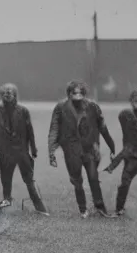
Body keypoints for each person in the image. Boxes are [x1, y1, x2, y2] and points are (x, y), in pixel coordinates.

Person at [48, 80, 115, 218]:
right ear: (69, 94)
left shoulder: (92, 106)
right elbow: (54, 128)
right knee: (77, 180)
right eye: (74, 92)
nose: (77, 95)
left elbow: (102, 126)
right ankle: (83, 209)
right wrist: (51, 151)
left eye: (80, 92)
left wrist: (111, 146)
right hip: (71, 149)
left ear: (84, 94)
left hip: (89, 148)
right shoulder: (61, 107)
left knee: (93, 177)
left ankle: (100, 207)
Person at [0, 83, 49, 215]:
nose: (7, 94)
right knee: (6, 178)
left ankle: (39, 206)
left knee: (29, 178)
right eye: (5, 92)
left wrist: (33, 149)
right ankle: (7, 200)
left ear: (15, 95)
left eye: (10, 92)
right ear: (1, 95)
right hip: (5, 151)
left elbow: (30, 131)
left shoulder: (23, 111)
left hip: (21, 150)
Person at [103, 90, 137, 216]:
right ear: (131, 102)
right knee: (125, 179)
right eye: (136, 101)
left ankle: (119, 209)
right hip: (128, 150)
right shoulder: (125, 115)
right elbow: (128, 135)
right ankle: (120, 208)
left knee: (126, 178)